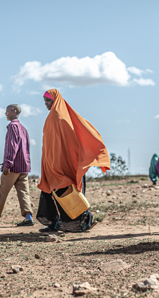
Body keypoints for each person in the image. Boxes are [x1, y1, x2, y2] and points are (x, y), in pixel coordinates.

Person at [36, 89, 111, 232]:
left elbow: (71, 142)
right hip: (53, 164)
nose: (46, 104)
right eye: (44, 101)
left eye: (48, 100)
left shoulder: (60, 117)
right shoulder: (55, 116)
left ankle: (81, 223)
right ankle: (56, 223)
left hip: (62, 164)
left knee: (68, 194)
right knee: (54, 193)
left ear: (55, 100)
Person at [0, 104, 34, 227]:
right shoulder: (23, 128)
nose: (6, 114)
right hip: (24, 167)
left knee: (2, 192)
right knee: (24, 192)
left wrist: (7, 164)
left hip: (13, 167)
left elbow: (12, 147)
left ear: (14, 112)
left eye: (7, 112)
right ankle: (28, 217)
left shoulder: (12, 127)